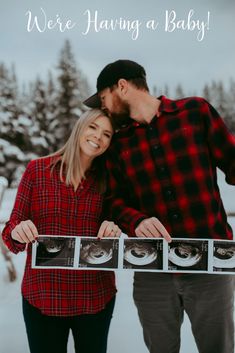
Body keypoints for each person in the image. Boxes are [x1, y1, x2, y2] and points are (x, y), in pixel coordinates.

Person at [84, 60, 235, 353]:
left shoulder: (195, 112)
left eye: (103, 99)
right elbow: (112, 201)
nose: (104, 108)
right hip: (153, 268)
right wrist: (136, 220)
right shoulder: (117, 143)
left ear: (122, 87)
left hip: (210, 264)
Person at [2, 109, 121, 353]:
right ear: (79, 128)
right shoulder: (37, 171)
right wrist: (18, 230)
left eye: (107, 134)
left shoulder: (109, 180)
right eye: (93, 127)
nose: (98, 137)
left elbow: (118, 223)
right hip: (43, 297)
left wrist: (113, 228)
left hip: (95, 299)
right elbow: (11, 232)